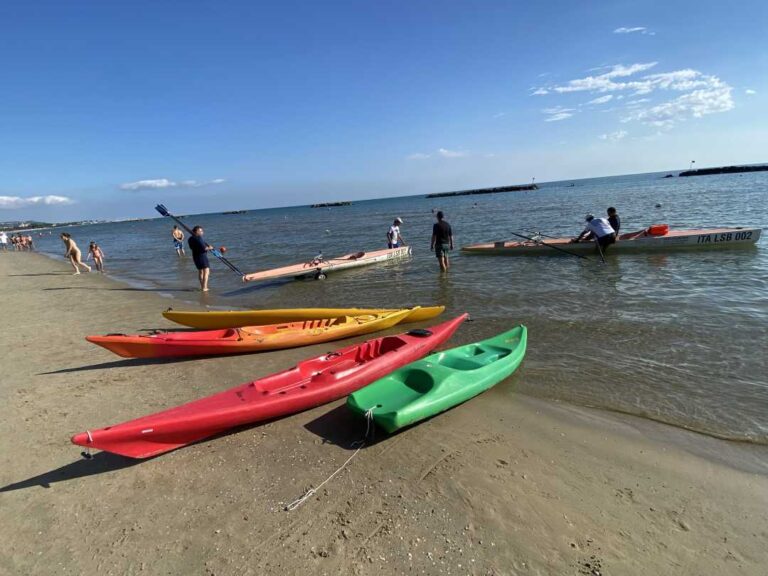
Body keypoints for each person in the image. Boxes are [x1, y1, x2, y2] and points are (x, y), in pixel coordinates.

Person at [187, 225, 213, 291]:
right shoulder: (199, 238)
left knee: (201, 271)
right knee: (206, 271)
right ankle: (204, 287)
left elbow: (192, 248)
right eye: (200, 231)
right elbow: (204, 248)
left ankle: (202, 286)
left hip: (195, 256)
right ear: (196, 232)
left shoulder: (190, 239)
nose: (202, 232)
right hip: (202, 256)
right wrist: (210, 248)